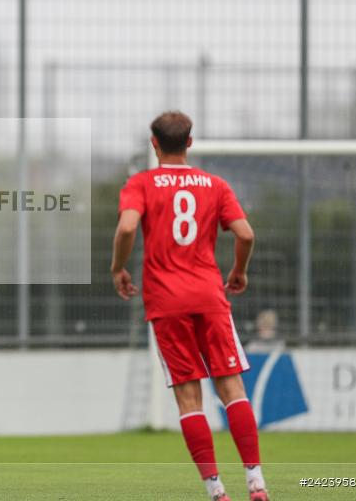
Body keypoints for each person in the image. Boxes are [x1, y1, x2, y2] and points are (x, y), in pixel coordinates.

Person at [111, 111, 269, 501]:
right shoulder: (215, 185)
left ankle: (216, 489)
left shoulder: (141, 183)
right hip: (209, 296)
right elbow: (245, 234)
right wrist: (239, 271)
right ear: (190, 142)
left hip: (166, 302)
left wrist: (118, 268)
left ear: (154, 143)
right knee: (232, 388)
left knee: (188, 396)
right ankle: (256, 481)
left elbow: (128, 227)